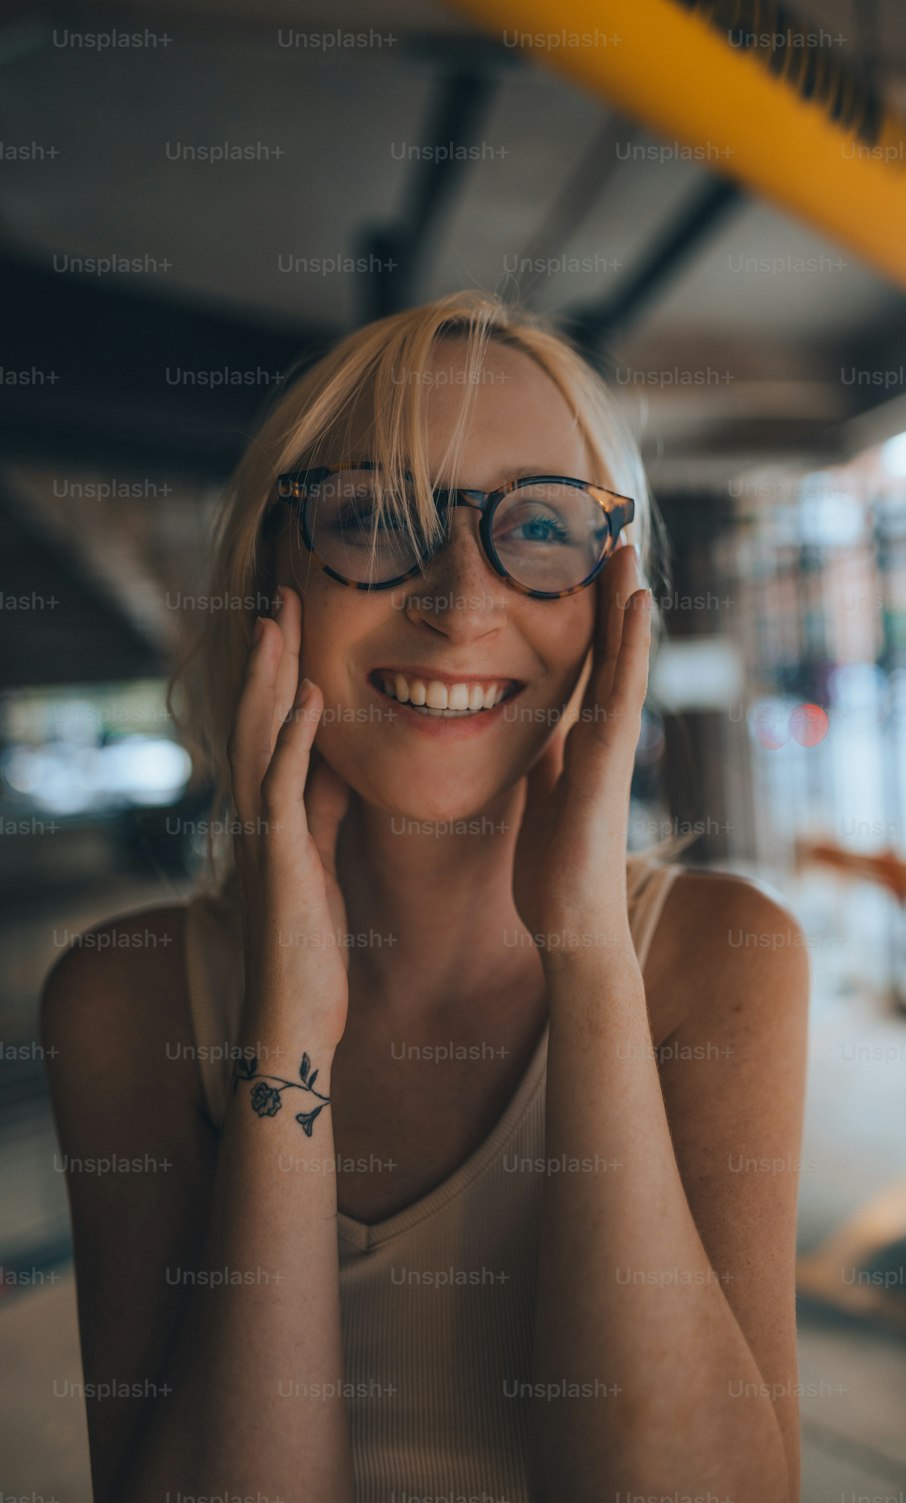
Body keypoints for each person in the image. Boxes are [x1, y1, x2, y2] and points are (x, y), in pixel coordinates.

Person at [41, 290, 808, 1503]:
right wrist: (288, 1027)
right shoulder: (126, 1000)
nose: (460, 602)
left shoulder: (723, 960)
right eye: (372, 518)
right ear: (268, 579)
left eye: (543, 527)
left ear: (618, 610)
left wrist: (588, 959)